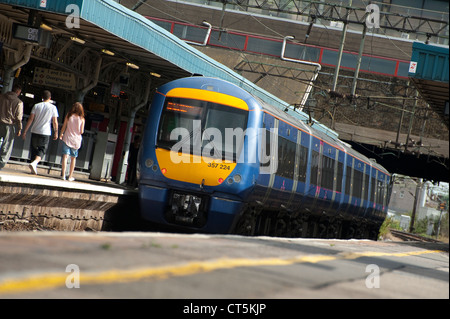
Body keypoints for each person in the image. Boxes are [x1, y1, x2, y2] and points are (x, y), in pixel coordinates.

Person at [22, 90, 58, 175]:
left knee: (34, 149)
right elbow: (55, 121)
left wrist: (25, 131)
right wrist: (56, 132)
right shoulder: (53, 108)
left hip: (35, 130)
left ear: (42, 98)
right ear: (50, 98)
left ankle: (32, 169)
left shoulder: (36, 106)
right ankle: (34, 163)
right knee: (42, 149)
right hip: (45, 132)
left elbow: (31, 119)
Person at [59, 102, 85, 181]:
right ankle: (70, 176)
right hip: (76, 140)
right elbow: (81, 131)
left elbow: (64, 126)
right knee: (73, 158)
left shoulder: (69, 116)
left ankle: (63, 175)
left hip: (67, 138)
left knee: (65, 156)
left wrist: (61, 134)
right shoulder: (82, 119)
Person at [0, 84, 23, 170]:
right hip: (9, 126)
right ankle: (1, 164)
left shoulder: (1, 97)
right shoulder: (19, 102)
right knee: (7, 145)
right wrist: (19, 128)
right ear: (17, 92)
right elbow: (19, 117)